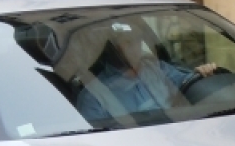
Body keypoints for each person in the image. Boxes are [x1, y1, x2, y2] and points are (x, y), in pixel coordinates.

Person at [76, 20, 217, 122]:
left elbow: (187, 83)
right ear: (113, 49)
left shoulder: (156, 68)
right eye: (127, 42)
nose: (135, 47)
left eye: (137, 40)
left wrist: (203, 73)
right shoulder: (93, 95)